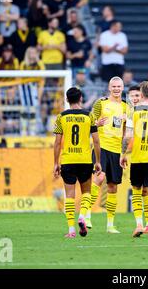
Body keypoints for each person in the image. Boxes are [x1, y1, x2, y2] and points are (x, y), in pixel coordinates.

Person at [53, 87, 102, 238]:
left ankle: (71, 230)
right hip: (85, 160)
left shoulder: (61, 117)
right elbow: (96, 140)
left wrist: (56, 163)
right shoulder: (89, 116)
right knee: (86, 192)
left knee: (69, 196)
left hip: (68, 160)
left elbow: (57, 143)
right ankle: (82, 216)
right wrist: (98, 161)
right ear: (81, 98)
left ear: (67, 100)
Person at [85, 76, 129, 233]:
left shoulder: (126, 107)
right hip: (101, 147)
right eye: (114, 86)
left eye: (119, 86)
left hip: (116, 151)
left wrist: (124, 150)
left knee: (112, 187)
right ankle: (87, 214)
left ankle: (110, 224)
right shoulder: (100, 103)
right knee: (99, 178)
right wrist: (96, 124)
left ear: (122, 88)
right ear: (109, 88)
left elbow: (126, 129)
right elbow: (88, 122)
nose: (116, 89)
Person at [120, 82, 148, 238]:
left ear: (141, 95)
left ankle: (139, 224)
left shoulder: (134, 112)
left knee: (137, 193)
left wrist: (123, 154)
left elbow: (128, 135)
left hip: (137, 158)